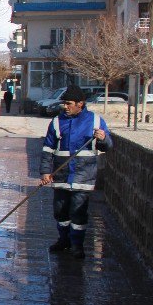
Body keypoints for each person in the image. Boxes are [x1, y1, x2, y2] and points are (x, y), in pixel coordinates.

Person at [40, 84, 112, 259]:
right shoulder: (57, 122)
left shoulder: (95, 121)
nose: (65, 106)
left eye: (69, 103)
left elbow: (107, 146)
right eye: (64, 103)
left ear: (80, 103)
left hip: (83, 176)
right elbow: (48, 148)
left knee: (78, 213)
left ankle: (77, 246)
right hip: (61, 174)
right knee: (60, 212)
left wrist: (103, 139)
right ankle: (63, 240)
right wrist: (45, 172)